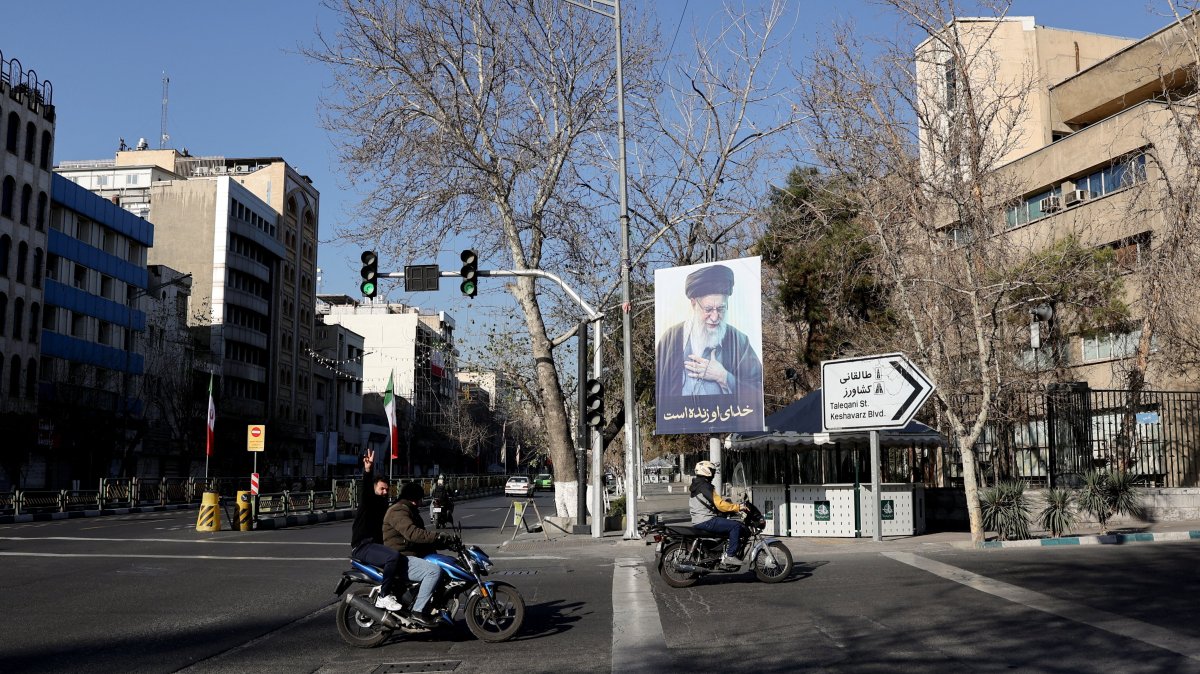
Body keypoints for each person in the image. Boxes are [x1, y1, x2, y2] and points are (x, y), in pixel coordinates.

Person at [655, 263, 764, 428]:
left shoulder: (739, 342)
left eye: (721, 309)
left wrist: (723, 377)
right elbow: (661, 396)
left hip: (728, 423)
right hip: (682, 424)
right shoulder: (670, 340)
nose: (715, 317)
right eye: (708, 309)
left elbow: (757, 392)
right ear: (693, 303)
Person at [383, 480, 452, 628]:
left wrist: (446, 543)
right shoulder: (398, 510)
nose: (422, 502)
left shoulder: (410, 510)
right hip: (400, 557)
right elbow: (413, 534)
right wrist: (437, 536)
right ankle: (418, 611)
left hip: (410, 554)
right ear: (414, 499)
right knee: (433, 571)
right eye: (420, 498)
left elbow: (424, 539)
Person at [350, 449, 406, 612]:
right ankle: (384, 596)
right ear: (375, 488)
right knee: (392, 557)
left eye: (387, 489)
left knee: (403, 558)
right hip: (363, 546)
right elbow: (366, 489)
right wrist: (368, 470)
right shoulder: (368, 501)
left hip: (375, 546)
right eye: (382, 489)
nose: (385, 492)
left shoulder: (384, 505)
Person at [688, 460, 748, 567]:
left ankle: (719, 552)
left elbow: (712, 503)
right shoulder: (705, 486)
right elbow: (719, 504)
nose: (714, 473)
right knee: (735, 526)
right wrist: (738, 507)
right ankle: (730, 555)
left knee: (726, 523)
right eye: (712, 470)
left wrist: (729, 506)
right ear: (706, 471)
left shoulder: (698, 484)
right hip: (706, 520)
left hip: (699, 519)